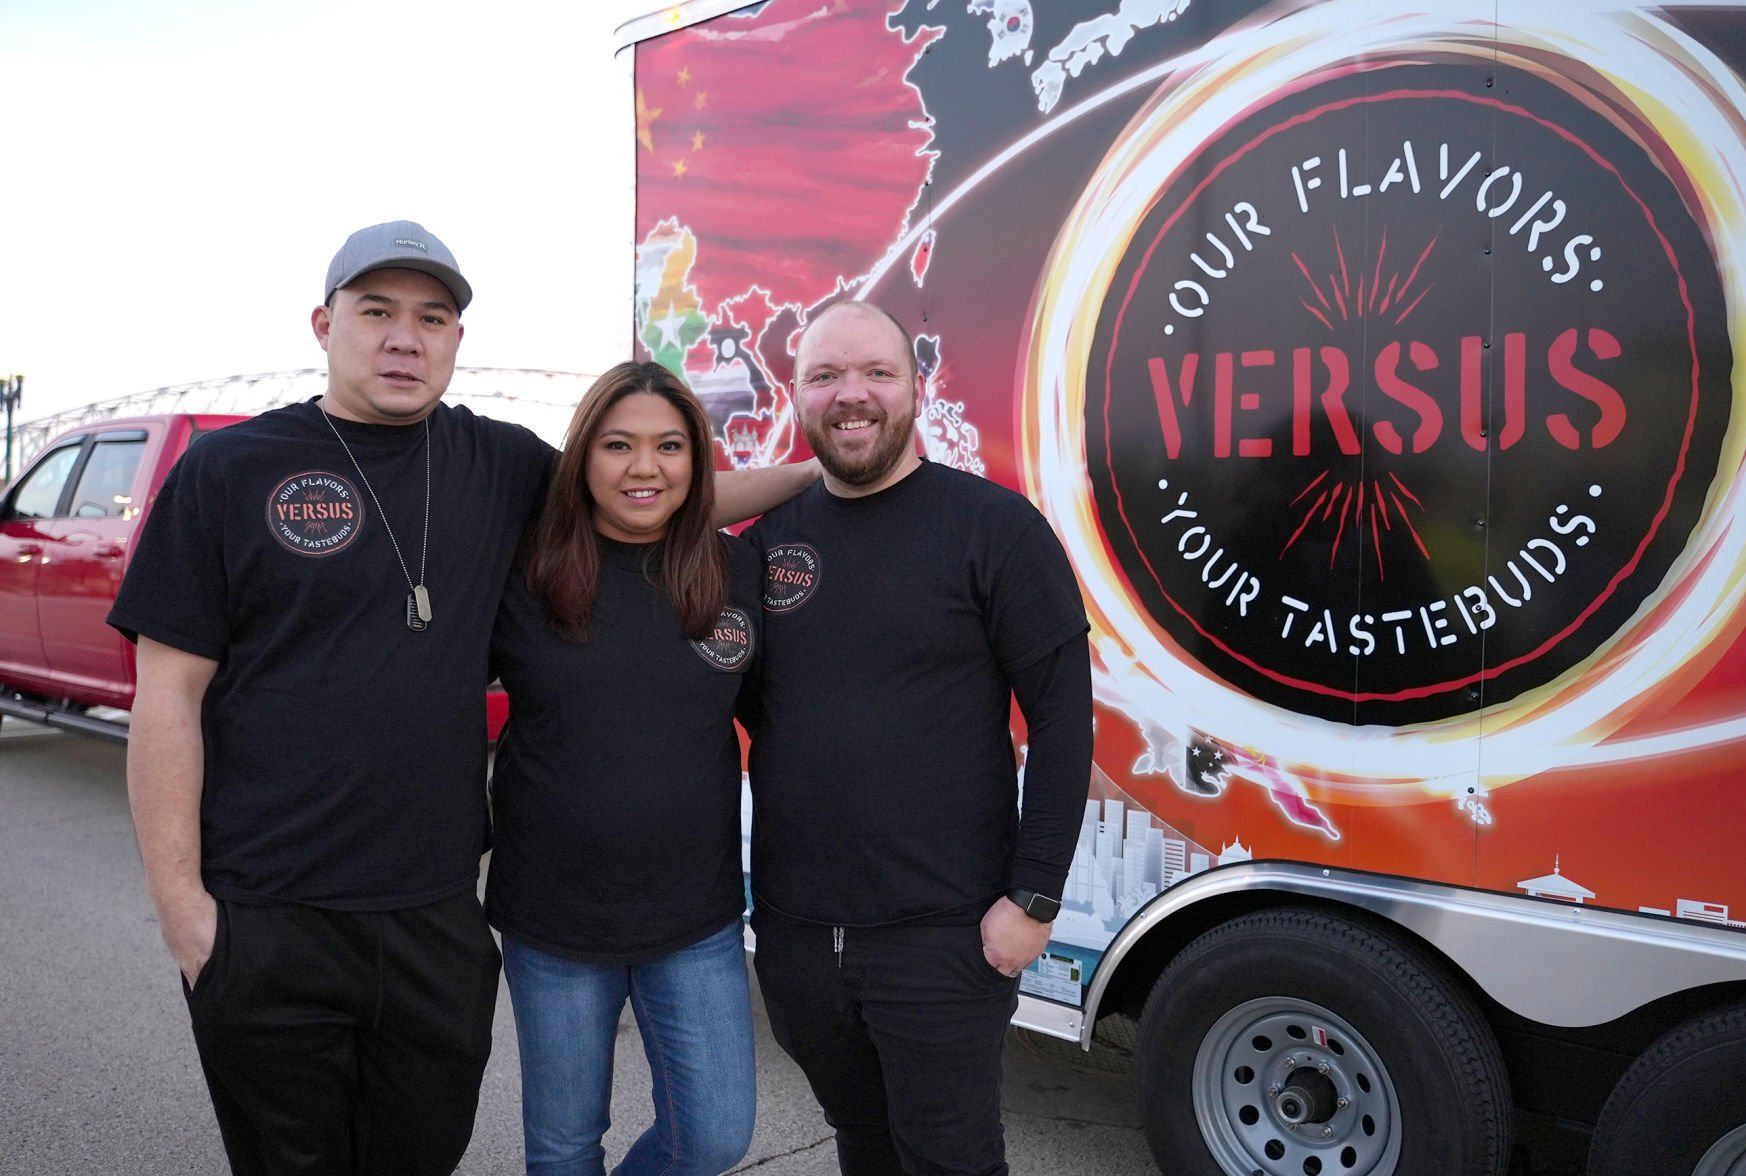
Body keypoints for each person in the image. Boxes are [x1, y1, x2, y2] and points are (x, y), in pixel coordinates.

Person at [108, 222, 812, 1175]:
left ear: (454, 341)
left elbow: (647, 496)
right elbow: (167, 697)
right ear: (324, 324)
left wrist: (826, 473)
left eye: (431, 317)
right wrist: (185, 915)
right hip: (269, 911)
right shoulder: (229, 472)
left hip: (438, 915)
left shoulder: (500, 463)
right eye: (377, 312)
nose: (405, 338)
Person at [743, 300, 1095, 1174]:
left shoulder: (994, 529)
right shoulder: (766, 544)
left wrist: (1034, 901)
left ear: (916, 387)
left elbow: (1061, 720)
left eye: (875, 373)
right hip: (794, 936)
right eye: (823, 376)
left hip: (943, 936)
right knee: (861, 1144)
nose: (849, 395)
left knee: (950, 1159)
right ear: (795, 394)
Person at [487, 361, 760, 1175]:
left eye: (669, 446)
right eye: (618, 445)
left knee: (714, 1136)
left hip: (696, 917)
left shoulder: (734, 570)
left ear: (696, 461)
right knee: (566, 1146)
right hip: (554, 921)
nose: (645, 467)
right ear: (583, 458)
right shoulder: (523, 572)